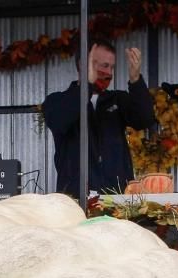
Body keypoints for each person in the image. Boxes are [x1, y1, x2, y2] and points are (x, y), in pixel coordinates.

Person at [42, 39, 155, 195]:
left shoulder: (117, 99)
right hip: (75, 199)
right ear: (83, 64)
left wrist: (135, 80)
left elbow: (145, 119)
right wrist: (86, 84)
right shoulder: (57, 100)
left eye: (112, 67)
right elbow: (59, 121)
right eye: (104, 66)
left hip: (118, 198)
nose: (108, 72)